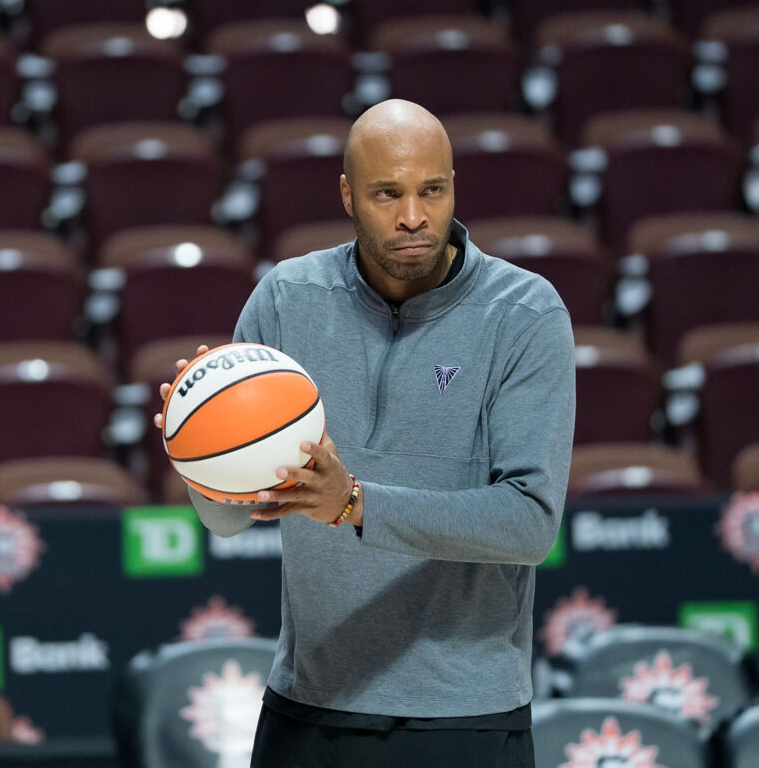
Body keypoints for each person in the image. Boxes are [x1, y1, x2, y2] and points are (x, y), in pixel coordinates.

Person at [155, 99, 576, 766]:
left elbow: (528, 522)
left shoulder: (523, 312)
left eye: (432, 190)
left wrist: (356, 504)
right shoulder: (285, 299)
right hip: (310, 709)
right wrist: (197, 448)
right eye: (388, 194)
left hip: (465, 717)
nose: (414, 216)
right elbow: (227, 521)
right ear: (348, 194)